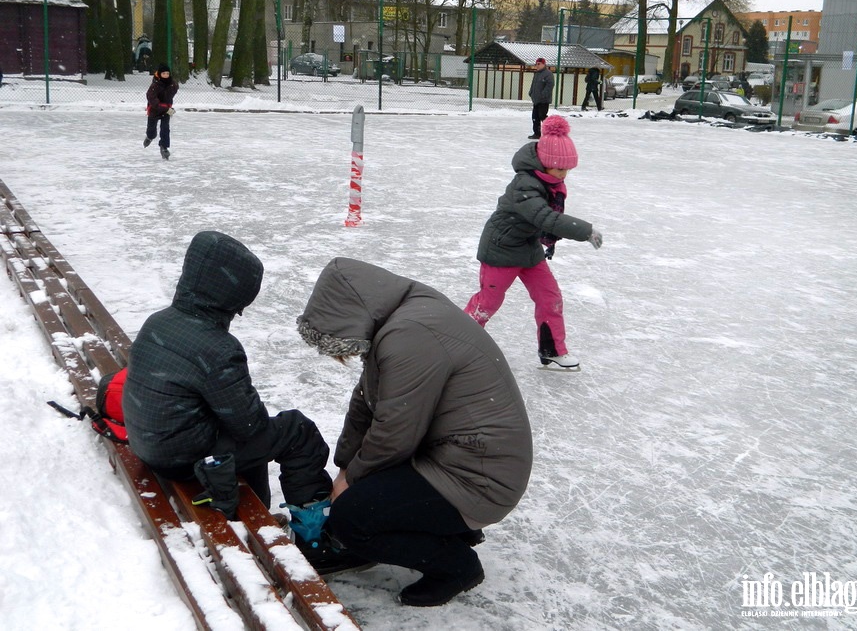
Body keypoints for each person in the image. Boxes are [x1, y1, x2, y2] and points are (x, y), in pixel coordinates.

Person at [296, 257, 533, 607]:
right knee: (364, 494)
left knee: (353, 519)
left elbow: (395, 433)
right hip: (458, 456)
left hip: (480, 478)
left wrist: (352, 483)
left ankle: (456, 566)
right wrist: (346, 465)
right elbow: (366, 403)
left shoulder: (411, 335)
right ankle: (443, 527)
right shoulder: (401, 319)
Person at [122, 231, 355, 572]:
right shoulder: (216, 346)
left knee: (252, 447)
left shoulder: (159, 320)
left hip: (151, 443)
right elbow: (250, 424)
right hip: (186, 457)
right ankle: (315, 539)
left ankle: (255, 518)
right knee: (295, 430)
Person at [464, 115, 602, 370]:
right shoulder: (525, 186)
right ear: (545, 163)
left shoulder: (550, 182)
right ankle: (456, 343)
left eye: (567, 170)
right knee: (488, 302)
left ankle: (552, 351)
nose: (564, 175)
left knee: (550, 298)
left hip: (528, 247)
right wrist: (584, 230)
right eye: (560, 169)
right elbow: (544, 217)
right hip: (502, 248)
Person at [144, 63, 178, 160]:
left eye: (167, 73)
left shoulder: (172, 84)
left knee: (165, 128)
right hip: (154, 111)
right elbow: (152, 99)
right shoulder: (154, 86)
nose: (166, 76)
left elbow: (174, 90)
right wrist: (164, 107)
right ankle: (149, 137)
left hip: (166, 110)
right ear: (159, 74)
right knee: (151, 130)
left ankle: (164, 147)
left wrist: (168, 107)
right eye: (164, 74)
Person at [528, 57, 554, 139]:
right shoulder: (537, 74)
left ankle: (552, 130)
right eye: (536, 64)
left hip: (544, 100)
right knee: (535, 117)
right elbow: (533, 84)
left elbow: (550, 85)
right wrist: (531, 92)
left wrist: (543, 94)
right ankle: (537, 133)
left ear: (543, 64)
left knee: (542, 115)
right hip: (536, 100)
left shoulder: (548, 74)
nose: (537, 66)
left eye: (539, 64)